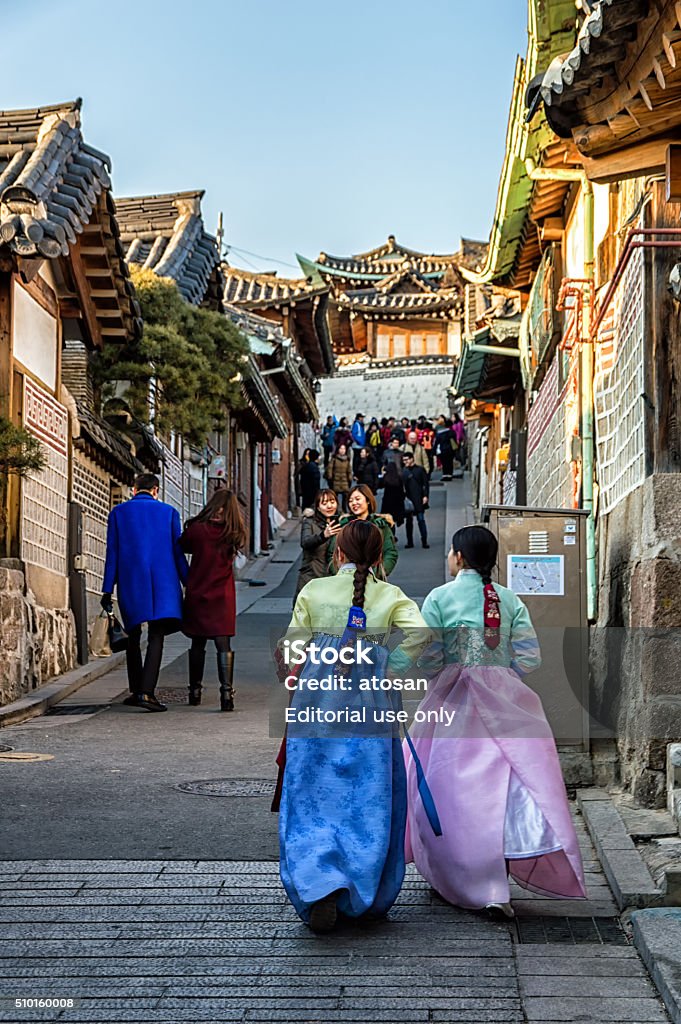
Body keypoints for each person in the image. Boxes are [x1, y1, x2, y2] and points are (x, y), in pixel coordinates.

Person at [404, 525, 586, 916]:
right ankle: (499, 869)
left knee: (447, 785)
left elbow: (428, 654)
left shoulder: (440, 596)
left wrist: (446, 673)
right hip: (505, 698)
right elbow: (529, 657)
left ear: (458, 557)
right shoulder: (508, 598)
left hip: (453, 698)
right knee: (513, 784)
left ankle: (460, 873)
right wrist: (499, 674)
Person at [277, 519, 431, 932]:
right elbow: (422, 633)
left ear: (338, 554)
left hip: (317, 699)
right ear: (380, 557)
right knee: (368, 793)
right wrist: (391, 667)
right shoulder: (391, 595)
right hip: (373, 703)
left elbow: (291, 646)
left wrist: (301, 669)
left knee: (312, 791)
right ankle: (362, 888)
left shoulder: (314, 590)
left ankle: (319, 883)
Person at [101, 472, 189, 712]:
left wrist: (107, 589)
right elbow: (177, 553)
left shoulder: (118, 513)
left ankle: (136, 689)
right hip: (164, 583)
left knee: (133, 635)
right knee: (156, 636)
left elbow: (113, 555)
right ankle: (147, 693)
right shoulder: (169, 513)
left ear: (133, 489)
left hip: (131, 581)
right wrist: (189, 581)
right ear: (156, 490)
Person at [180, 490, 247, 712]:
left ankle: (194, 691)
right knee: (223, 643)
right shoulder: (233, 532)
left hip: (198, 590)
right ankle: (226, 693)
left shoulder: (197, 530)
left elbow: (182, 546)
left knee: (197, 643)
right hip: (223, 595)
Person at [328, 484, 398, 577]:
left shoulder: (380, 525)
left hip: (375, 580)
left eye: (357, 499)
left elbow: (390, 552)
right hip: (346, 580)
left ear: (368, 500)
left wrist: (379, 573)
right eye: (350, 501)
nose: (353, 503)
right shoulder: (343, 526)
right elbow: (332, 554)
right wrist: (341, 574)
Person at [295, 489, 342, 599]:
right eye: (324, 503)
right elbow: (305, 542)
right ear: (317, 507)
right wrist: (323, 536)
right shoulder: (310, 522)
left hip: (335, 578)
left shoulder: (343, 523)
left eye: (332, 501)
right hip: (311, 576)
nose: (329, 506)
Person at [402, 452, 430, 549]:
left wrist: (425, 496)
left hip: (418, 498)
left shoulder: (420, 470)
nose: (405, 462)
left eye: (406, 460)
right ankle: (410, 541)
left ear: (412, 459)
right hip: (409, 499)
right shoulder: (404, 471)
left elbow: (425, 484)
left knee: (421, 520)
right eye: (404, 460)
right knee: (409, 522)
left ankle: (424, 541)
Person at [325, 442, 353, 511]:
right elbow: (330, 468)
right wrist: (330, 477)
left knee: (345, 498)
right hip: (335, 481)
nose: (342, 450)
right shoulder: (334, 459)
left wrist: (350, 478)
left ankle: (344, 510)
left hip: (344, 481)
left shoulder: (347, 460)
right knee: (335, 497)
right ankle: (335, 510)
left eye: (344, 449)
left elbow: (349, 470)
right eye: (341, 448)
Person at [379, 460, 405, 530]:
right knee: (394, 520)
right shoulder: (398, 479)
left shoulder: (386, 479)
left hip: (388, 503)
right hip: (397, 503)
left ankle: (391, 535)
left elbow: (380, 485)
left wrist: (383, 474)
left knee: (389, 522)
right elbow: (402, 492)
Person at [435, 415, 455, 480]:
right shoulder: (452, 432)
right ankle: (449, 475)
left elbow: (436, 442)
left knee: (444, 463)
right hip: (450, 450)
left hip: (443, 449)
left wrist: (433, 451)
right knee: (450, 462)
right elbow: (454, 441)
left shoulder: (440, 433)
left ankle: (445, 475)